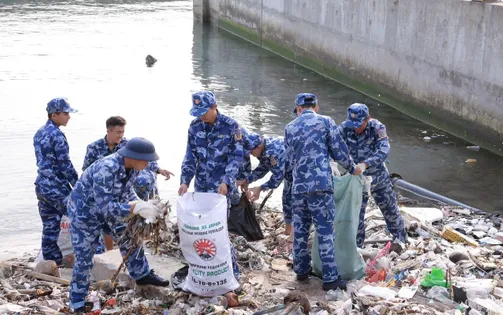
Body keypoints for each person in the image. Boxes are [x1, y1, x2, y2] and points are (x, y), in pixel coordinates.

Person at [68, 138, 170, 313]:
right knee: (84, 257)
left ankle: (142, 274)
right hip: (85, 213)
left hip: (111, 208)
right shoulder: (105, 169)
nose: (147, 164)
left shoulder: (132, 168)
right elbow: (105, 207)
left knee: (130, 237)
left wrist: (139, 203)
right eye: (145, 160)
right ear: (133, 157)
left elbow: (126, 191)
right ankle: (77, 301)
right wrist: (134, 208)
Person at [284, 93, 363, 291]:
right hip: (321, 187)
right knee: (325, 232)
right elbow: (339, 151)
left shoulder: (289, 128)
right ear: (316, 107)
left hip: (299, 188)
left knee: (301, 230)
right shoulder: (326, 122)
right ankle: (330, 279)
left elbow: (289, 160)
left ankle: (301, 271)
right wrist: (352, 168)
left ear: (299, 108)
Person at [178, 91, 243, 280]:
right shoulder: (195, 126)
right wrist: (184, 181)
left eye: (203, 111)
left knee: (220, 232)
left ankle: (232, 275)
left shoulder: (231, 126)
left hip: (221, 190)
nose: (201, 116)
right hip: (201, 189)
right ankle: (206, 273)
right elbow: (190, 156)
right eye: (197, 112)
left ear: (214, 107)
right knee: (202, 231)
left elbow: (236, 157)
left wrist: (227, 181)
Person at [338, 103, 407, 248]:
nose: (356, 127)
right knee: (356, 215)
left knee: (390, 209)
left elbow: (383, 150)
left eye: (359, 123)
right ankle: (357, 248)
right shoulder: (344, 128)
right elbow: (334, 146)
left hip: (377, 177)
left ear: (368, 118)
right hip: (356, 179)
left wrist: (365, 164)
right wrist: (336, 163)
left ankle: (401, 240)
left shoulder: (377, 128)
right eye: (353, 123)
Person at [82, 116, 174, 201]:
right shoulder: (93, 148)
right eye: (118, 132)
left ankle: (147, 205)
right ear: (108, 131)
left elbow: (143, 160)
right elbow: (87, 170)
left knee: (144, 180)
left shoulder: (128, 144)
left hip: (126, 178)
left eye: (123, 132)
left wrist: (158, 169)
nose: (121, 135)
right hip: (108, 180)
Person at [33, 97, 79, 266]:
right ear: (54, 115)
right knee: (81, 216)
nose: (69, 117)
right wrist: (79, 185)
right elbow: (65, 165)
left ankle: (51, 262)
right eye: (65, 113)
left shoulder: (39, 133)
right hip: (56, 187)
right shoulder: (57, 135)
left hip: (42, 185)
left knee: (50, 226)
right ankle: (92, 255)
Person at [237, 132, 293, 235]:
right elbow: (263, 168)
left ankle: (292, 235)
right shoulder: (263, 149)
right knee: (286, 201)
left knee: (292, 201)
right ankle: (288, 231)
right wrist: (247, 180)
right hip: (289, 175)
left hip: (298, 175)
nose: (250, 154)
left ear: (258, 147)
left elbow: (277, 178)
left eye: (251, 152)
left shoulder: (274, 152)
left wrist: (260, 188)